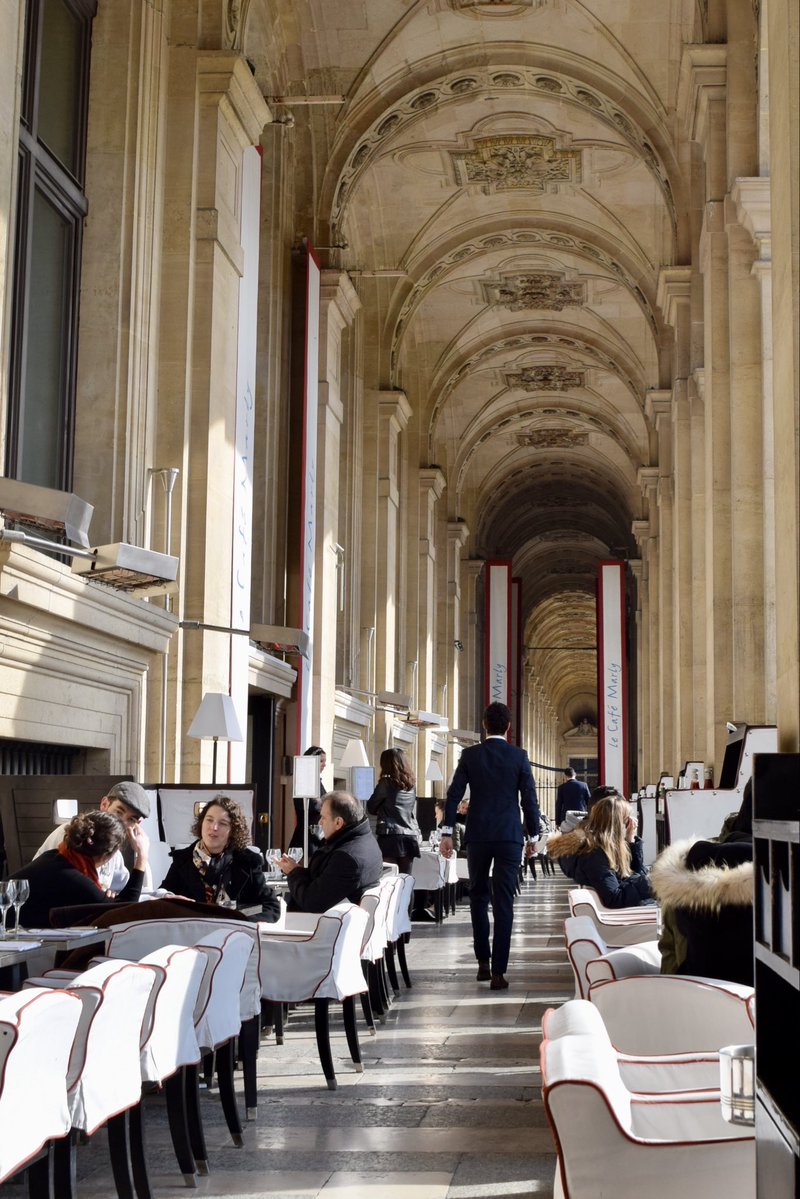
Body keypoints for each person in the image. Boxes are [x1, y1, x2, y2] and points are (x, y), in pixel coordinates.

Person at [440, 702, 540, 990]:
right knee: (504, 903)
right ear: (508, 727)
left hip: (479, 835)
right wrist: (533, 836)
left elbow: (453, 794)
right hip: (509, 835)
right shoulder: (519, 756)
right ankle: (499, 972)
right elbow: (529, 800)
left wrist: (447, 831)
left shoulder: (470, 755)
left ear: (485, 725)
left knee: (479, 897)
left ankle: (483, 962)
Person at [650, 782, 754, 984]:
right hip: (756, 1009)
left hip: (690, 1000)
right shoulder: (774, 870)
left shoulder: (692, 864)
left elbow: (669, 950)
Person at [12, 810, 148, 928]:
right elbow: (125, 910)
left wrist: (103, 898)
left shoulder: (55, 856)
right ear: (106, 855)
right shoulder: (74, 879)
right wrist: (142, 856)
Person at [161, 796, 280, 920]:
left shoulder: (247, 862)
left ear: (233, 830)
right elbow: (162, 900)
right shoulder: (182, 860)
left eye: (222, 823)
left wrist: (242, 922)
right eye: (209, 820)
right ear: (201, 823)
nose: (214, 827)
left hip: (233, 934)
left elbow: (271, 906)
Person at [34, 780, 153, 893]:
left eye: (131, 819)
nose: (122, 822)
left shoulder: (114, 853)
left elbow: (126, 889)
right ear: (104, 804)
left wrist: (161, 895)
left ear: (137, 825)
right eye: (118, 812)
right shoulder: (72, 836)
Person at [278, 791, 383, 913]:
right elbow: (325, 883)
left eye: (323, 817)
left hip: (319, 924)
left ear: (338, 822)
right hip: (339, 918)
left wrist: (293, 872)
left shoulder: (346, 858)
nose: (320, 822)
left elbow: (312, 902)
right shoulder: (365, 840)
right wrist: (297, 870)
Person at [547, 794, 652, 907]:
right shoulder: (595, 855)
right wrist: (650, 883)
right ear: (616, 825)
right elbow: (614, 898)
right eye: (627, 820)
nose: (631, 825)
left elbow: (632, 874)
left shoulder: (603, 849)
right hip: (619, 914)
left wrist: (631, 841)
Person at [366, 747, 421, 873]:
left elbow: (371, 806)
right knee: (405, 881)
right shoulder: (411, 785)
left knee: (389, 881)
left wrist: (381, 809)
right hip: (409, 835)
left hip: (390, 836)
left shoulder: (386, 783)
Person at [288, 746, 327, 856]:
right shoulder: (303, 782)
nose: (324, 764)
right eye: (321, 761)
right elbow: (312, 806)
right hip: (307, 833)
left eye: (324, 761)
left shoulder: (317, 781)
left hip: (317, 833)